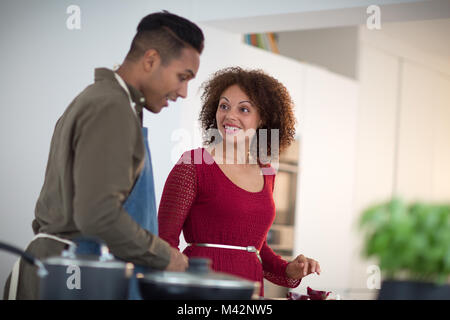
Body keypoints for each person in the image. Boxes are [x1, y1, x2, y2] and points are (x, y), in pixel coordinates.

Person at [3, 11, 204, 300]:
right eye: (182, 77)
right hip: (72, 277)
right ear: (150, 60)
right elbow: (98, 215)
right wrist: (165, 256)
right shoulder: (113, 108)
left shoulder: (106, 100)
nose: (184, 92)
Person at [158, 67, 321, 297]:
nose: (229, 116)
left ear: (263, 118)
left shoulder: (266, 172)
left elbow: (258, 250)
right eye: (224, 106)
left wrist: (290, 270)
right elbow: (165, 243)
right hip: (201, 288)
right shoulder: (193, 164)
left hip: (250, 290)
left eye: (243, 109)